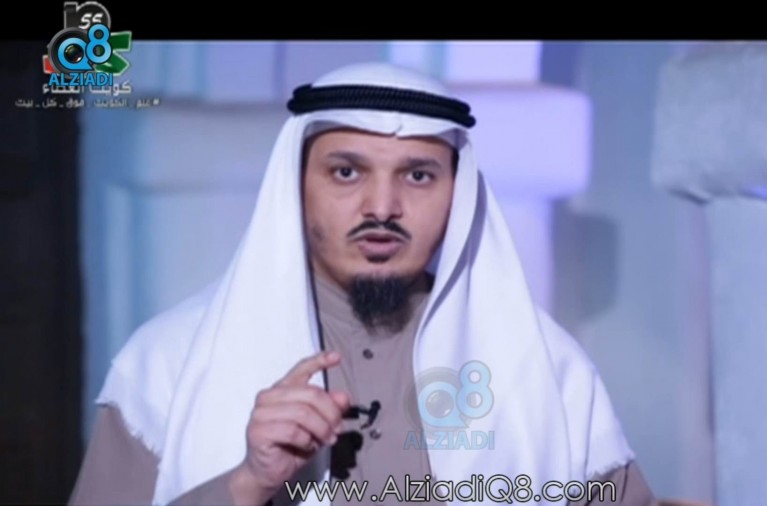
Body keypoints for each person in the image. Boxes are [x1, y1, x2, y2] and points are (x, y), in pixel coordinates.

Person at [69, 62, 656, 506]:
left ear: (457, 193)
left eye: (418, 176)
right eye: (346, 172)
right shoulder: (168, 362)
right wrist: (246, 483)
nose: (382, 207)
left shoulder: (546, 367)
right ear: (296, 185)